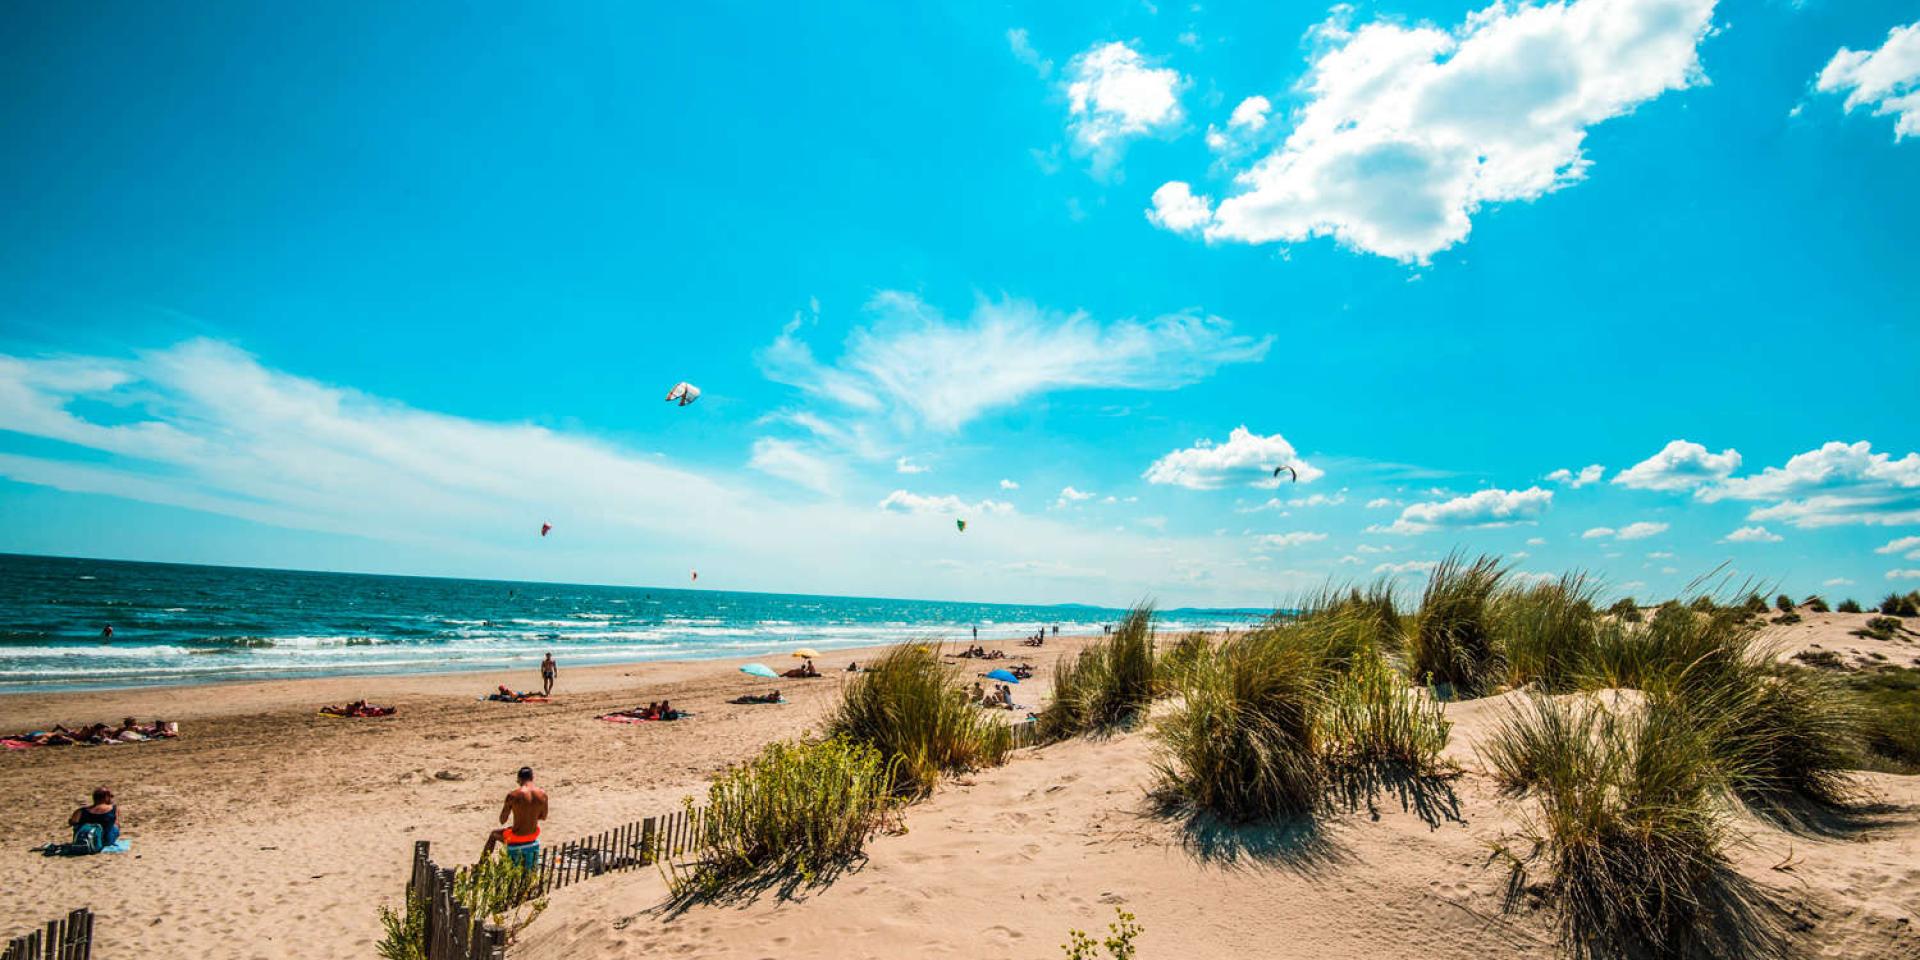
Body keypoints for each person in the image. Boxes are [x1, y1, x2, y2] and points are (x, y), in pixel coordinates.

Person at [481, 767, 548, 870]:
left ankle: (481, 865)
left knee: (493, 834)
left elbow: (502, 820)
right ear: (532, 778)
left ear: (519, 779)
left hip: (516, 837)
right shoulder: (543, 794)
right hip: (533, 835)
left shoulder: (513, 795)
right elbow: (543, 817)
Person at [68, 787, 119, 852]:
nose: (111, 798)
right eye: (110, 796)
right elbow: (117, 824)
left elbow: (72, 822)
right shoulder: (113, 808)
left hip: (83, 840)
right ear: (106, 797)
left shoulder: (80, 811)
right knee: (115, 825)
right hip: (106, 841)